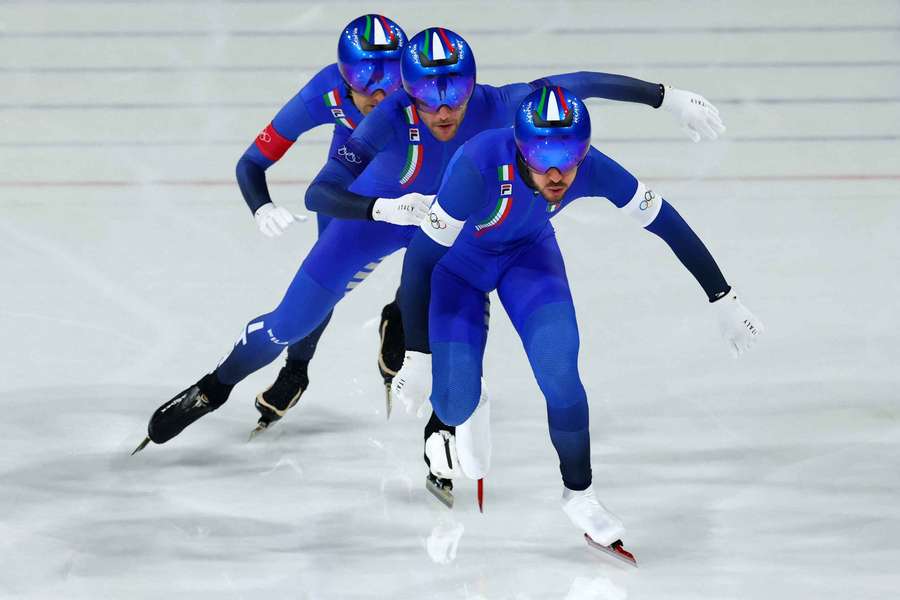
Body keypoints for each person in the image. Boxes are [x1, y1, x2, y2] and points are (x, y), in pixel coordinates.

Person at [136, 27, 727, 504]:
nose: (444, 110)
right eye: (430, 98)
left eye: (456, 95)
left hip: (449, 224)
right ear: (408, 92)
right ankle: (214, 387)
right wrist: (383, 205)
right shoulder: (390, 113)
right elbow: (320, 193)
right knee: (291, 322)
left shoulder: (502, 104)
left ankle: (440, 413)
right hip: (376, 221)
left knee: (463, 298)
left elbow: (580, 84)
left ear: (472, 85)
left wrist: (664, 97)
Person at [390, 86, 763, 563]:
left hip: (528, 258)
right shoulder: (478, 163)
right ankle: (469, 393)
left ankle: (580, 495)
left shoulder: (592, 168)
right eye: (542, 157)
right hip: (456, 272)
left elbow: (664, 220)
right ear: (521, 148)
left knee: (561, 373)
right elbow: (420, 259)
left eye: (568, 158)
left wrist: (723, 297)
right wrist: (417, 355)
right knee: (452, 402)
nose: (555, 173)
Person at [237, 14, 408, 430]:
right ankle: (296, 369)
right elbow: (251, 162)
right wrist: (261, 206)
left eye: (392, 80)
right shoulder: (323, 92)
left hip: (413, 170)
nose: (382, 95)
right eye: (367, 83)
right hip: (353, 173)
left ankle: (403, 314)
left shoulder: (425, 89)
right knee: (323, 286)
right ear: (345, 81)